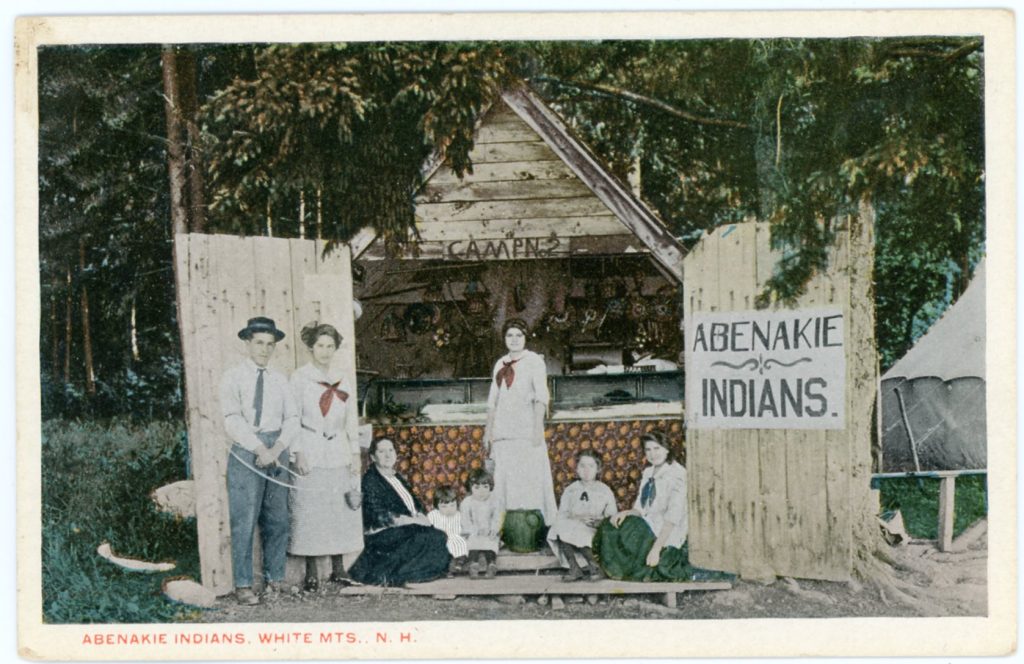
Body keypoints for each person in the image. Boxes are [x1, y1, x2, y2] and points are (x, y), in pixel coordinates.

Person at [219, 316, 299, 605]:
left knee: (277, 518)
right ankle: (243, 585)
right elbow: (231, 419)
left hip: (277, 449)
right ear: (247, 343)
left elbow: (292, 418)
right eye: (259, 343)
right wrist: (257, 447)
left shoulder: (281, 380)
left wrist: (276, 448)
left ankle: (274, 580)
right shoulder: (233, 377)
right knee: (244, 519)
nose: (265, 349)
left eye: (270, 344)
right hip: (245, 449)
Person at [288, 322, 363, 592]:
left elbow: (350, 419)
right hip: (311, 446)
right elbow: (292, 417)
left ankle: (338, 569)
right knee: (311, 507)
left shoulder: (343, 378)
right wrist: (298, 452)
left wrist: (354, 451)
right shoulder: (300, 378)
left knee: (337, 507)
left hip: (337, 448)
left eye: (330, 346)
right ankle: (311, 572)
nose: (325, 351)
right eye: (320, 345)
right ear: (311, 347)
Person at [483, 318, 557, 529]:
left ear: (526, 338)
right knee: (505, 480)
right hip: (503, 433)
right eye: (509, 335)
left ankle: (532, 529)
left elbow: (541, 396)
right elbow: (492, 401)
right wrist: (488, 431)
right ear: (504, 339)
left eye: (518, 335)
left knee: (528, 479)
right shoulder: (500, 363)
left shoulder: (534, 361)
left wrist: (536, 429)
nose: (514, 340)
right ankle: (506, 528)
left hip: (526, 432)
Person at [348, 437, 451, 586]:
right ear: (372, 457)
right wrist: (413, 521)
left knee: (438, 535)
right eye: (382, 451)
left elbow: (414, 504)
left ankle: (421, 572)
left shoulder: (396, 477)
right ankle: (402, 575)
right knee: (429, 537)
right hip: (382, 533)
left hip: (405, 528)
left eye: (391, 450)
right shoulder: (370, 480)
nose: (388, 455)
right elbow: (379, 516)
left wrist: (421, 515)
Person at [594, 432, 691, 582]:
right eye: (648, 450)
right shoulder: (648, 472)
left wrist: (656, 550)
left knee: (630, 529)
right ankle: (616, 570)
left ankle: (635, 568)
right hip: (647, 523)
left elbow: (673, 517)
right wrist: (625, 513)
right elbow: (640, 508)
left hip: (665, 532)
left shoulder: (678, 474)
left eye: (657, 448)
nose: (653, 454)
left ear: (667, 449)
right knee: (610, 524)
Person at [546, 450, 617, 581]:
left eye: (591, 466)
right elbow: (562, 514)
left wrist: (598, 522)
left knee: (582, 532)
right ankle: (574, 567)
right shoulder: (571, 490)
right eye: (582, 466)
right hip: (574, 526)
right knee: (559, 526)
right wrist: (576, 519)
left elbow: (612, 517)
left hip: (594, 530)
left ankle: (595, 566)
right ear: (577, 469)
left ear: (598, 469)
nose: (586, 470)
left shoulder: (605, 490)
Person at [460, 469, 502, 579]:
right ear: (470, 488)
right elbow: (465, 520)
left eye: (485, 487)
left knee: (491, 543)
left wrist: (493, 529)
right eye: (477, 488)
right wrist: (475, 530)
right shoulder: (467, 502)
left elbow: (497, 517)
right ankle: (473, 564)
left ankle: (491, 564)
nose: (481, 491)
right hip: (474, 532)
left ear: (490, 487)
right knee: (472, 543)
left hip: (489, 532)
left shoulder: (494, 501)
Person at [426, 485, 469, 577]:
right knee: (441, 550)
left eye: (452, 505)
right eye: (444, 506)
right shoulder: (433, 515)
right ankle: (445, 569)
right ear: (436, 506)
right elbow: (428, 529)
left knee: (461, 543)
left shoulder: (459, 515)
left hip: (456, 537)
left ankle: (460, 560)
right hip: (441, 540)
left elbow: (466, 528)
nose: (449, 509)